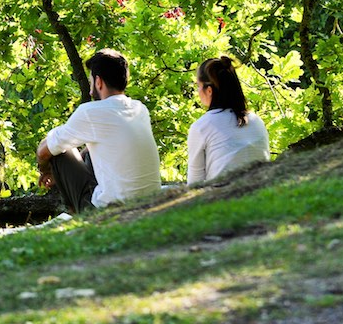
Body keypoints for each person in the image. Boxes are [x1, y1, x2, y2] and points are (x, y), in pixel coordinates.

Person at [36, 49, 162, 213]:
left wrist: (46, 170)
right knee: (87, 151)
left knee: (59, 153)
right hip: (151, 203)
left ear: (98, 82)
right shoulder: (140, 109)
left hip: (111, 211)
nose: (90, 89)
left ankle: (79, 218)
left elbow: (43, 152)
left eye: (91, 82)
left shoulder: (90, 112)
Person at [187, 55, 270, 185]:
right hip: (261, 194)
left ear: (209, 90)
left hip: (222, 198)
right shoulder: (256, 121)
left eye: (198, 85)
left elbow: (194, 183)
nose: (197, 91)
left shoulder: (202, 127)